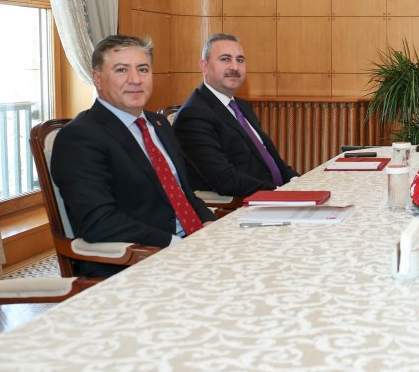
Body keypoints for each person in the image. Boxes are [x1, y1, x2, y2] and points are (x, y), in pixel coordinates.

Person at [52, 35, 214, 278]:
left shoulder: (158, 123)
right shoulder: (80, 137)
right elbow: (99, 222)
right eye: (121, 70)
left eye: (143, 69)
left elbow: (183, 193)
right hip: (136, 262)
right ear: (97, 78)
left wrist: (211, 226)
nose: (135, 80)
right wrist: (175, 245)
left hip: (188, 245)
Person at [174, 33, 298, 197]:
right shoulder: (194, 115)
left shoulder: (241, 106)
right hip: (244, 206)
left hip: (273, 196)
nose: (235, 67)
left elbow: (271, 158)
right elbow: (225, 179)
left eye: (240, 60)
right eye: (225, 59)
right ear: (204, 66)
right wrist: (279, 193)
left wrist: (297, 182)